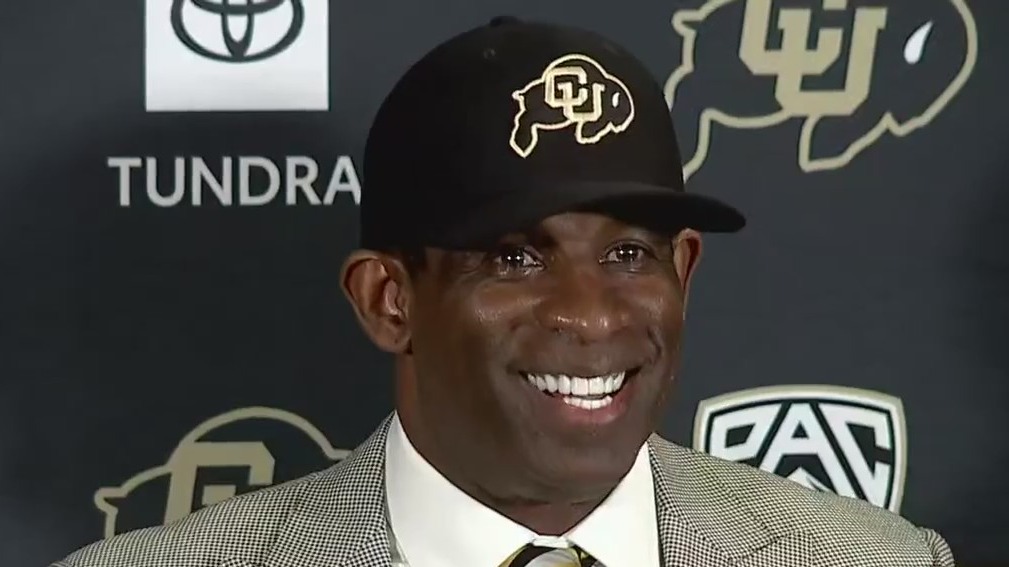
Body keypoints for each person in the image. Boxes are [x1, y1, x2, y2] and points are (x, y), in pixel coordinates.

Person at [52, 16, 954, 567]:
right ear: (387, 300)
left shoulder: (875, 558)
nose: (591, 313)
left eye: (630, 255)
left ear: (684, 270)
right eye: (516, 258)